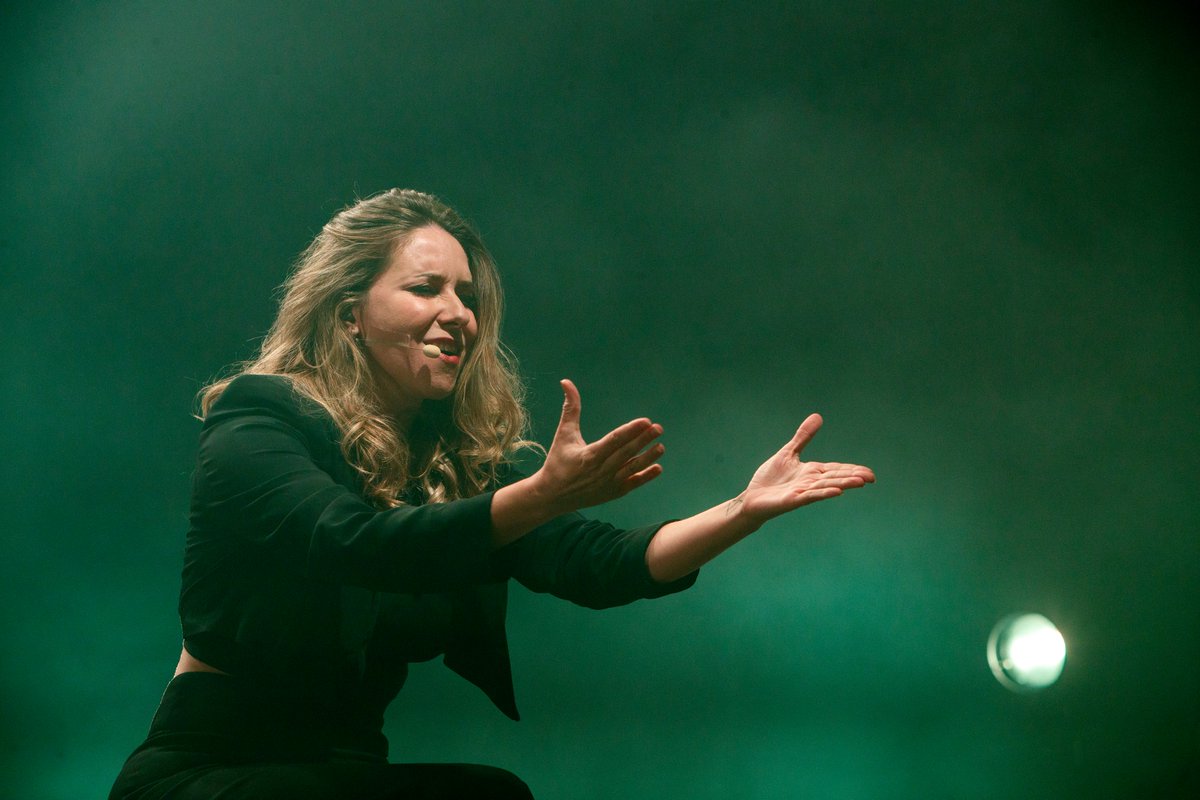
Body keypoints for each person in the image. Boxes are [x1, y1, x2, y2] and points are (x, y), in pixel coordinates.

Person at [108, 188, 876, 799]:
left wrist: (741, 511)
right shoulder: (260, 418)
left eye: (466, 295)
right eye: (424, 288)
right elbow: (354, 544)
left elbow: (600, 565)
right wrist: (541, 497)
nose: (458, 315)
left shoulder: (463, 465)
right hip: (209, 770)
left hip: (340, 772)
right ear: (349, 314)